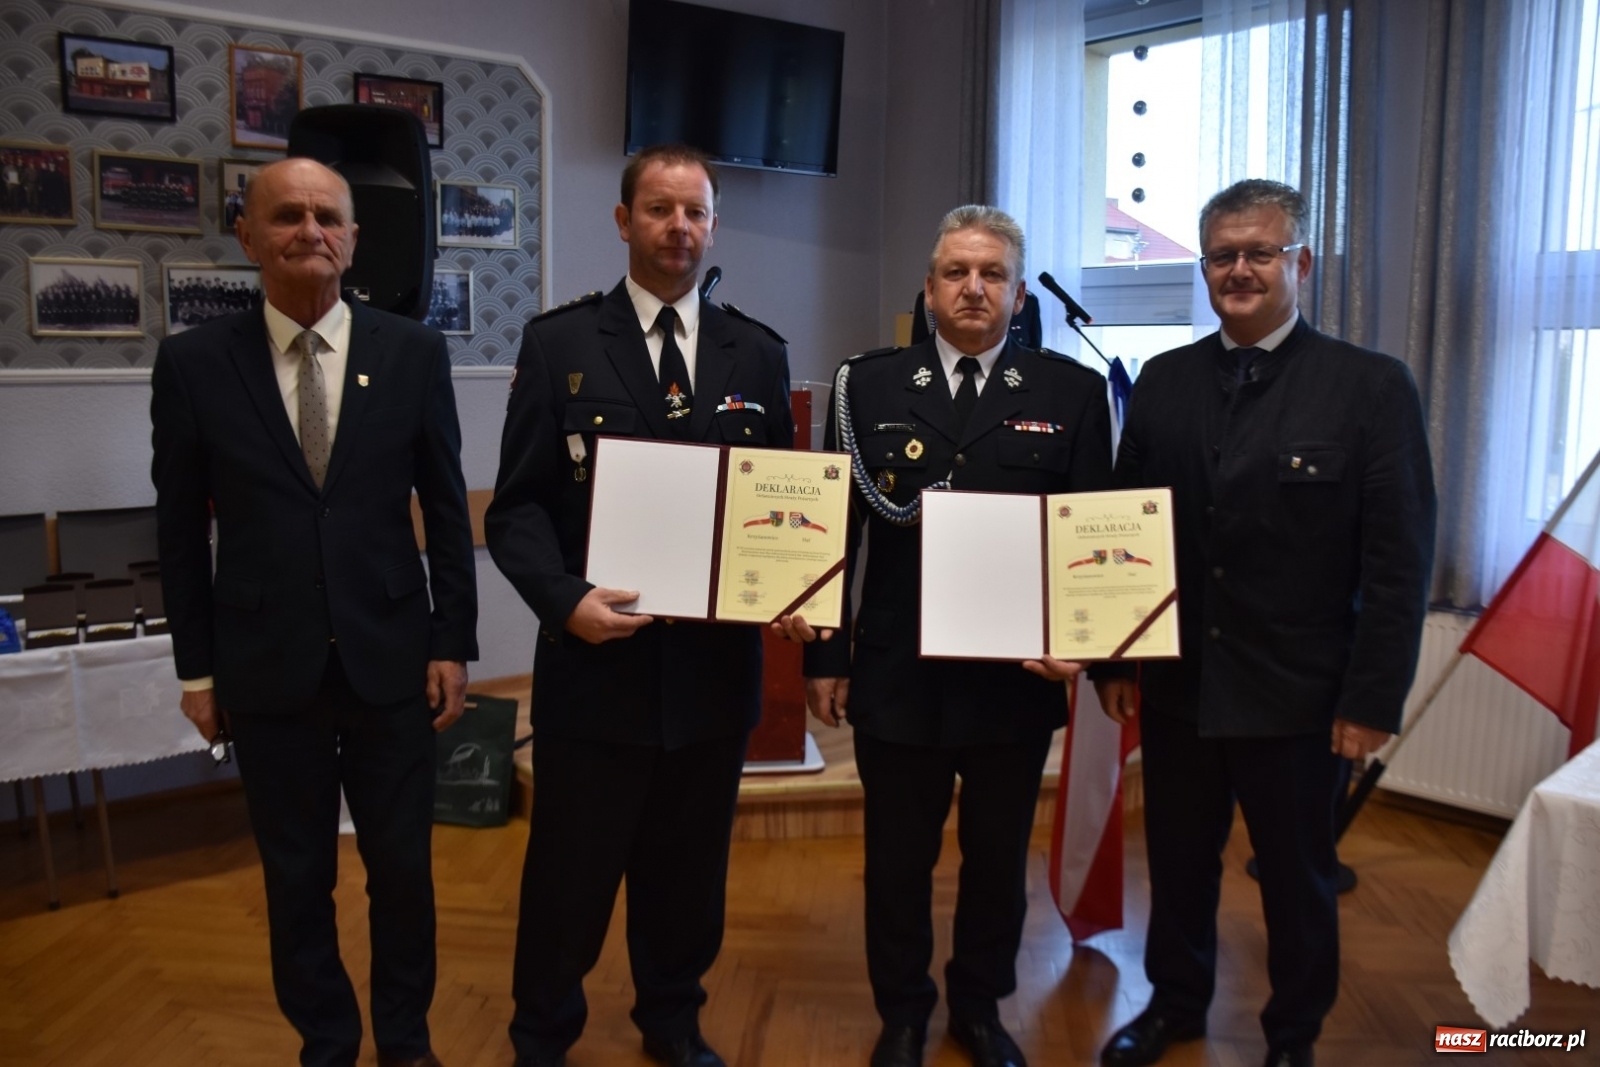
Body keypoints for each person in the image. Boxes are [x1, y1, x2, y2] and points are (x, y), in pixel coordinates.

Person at [1093, 179, 1436, 1067]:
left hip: (1301, 697)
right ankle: (1174, 1003)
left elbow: (1398, 561)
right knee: (1177, 866)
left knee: (1297, 880)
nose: (1239, 269)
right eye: (1222, 255)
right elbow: (1129, 531)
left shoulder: (1369, 388)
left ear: (1301, 263)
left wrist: (1372, 697)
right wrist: (1117, 663)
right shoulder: (1164, 382)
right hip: (1179, 690)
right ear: (1203, 267)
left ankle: (1293, 1033)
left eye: (1260, 252)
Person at [151, 157, 479, 1067]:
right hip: (266, 668)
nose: (310, 231)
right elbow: (179, 534)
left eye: (327, 216)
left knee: (404, 876)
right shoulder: (192, 364)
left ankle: (406, 1042)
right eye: (287, 215)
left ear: (354, 237)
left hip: (392, 660)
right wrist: (197, 670)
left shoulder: (411, 352)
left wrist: (454, 638)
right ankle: (328, 1043)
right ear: (248, 234)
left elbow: (447, 508)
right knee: (298, 880)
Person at [485, 144, 795, 1067]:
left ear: (712, 225)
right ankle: (542, 1035)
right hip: (596, 669)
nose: (679, 229)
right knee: (568, 878)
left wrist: (792, 583)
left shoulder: (759, 351)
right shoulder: (560, 344)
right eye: (659, 210)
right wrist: (564, 599)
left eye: (695, 212)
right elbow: (518, 509)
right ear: (624, 221)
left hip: (709, 679)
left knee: (689, 876)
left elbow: (779, 501)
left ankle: (672, 1020)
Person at [802, 205, 1114, 1067]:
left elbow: (1089, 539)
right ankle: (902, 1013)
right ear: (929, 288)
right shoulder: (864, 386)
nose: (973, 287)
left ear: (1017, 292)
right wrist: (825, 654)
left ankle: (980, 1008)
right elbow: (837, 532)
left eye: (992, 274)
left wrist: (1083, 646)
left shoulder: (1070, 393)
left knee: (995, 860)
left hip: (1013, 679)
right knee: (897, 862)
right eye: (956, 272)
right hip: (898, 672)